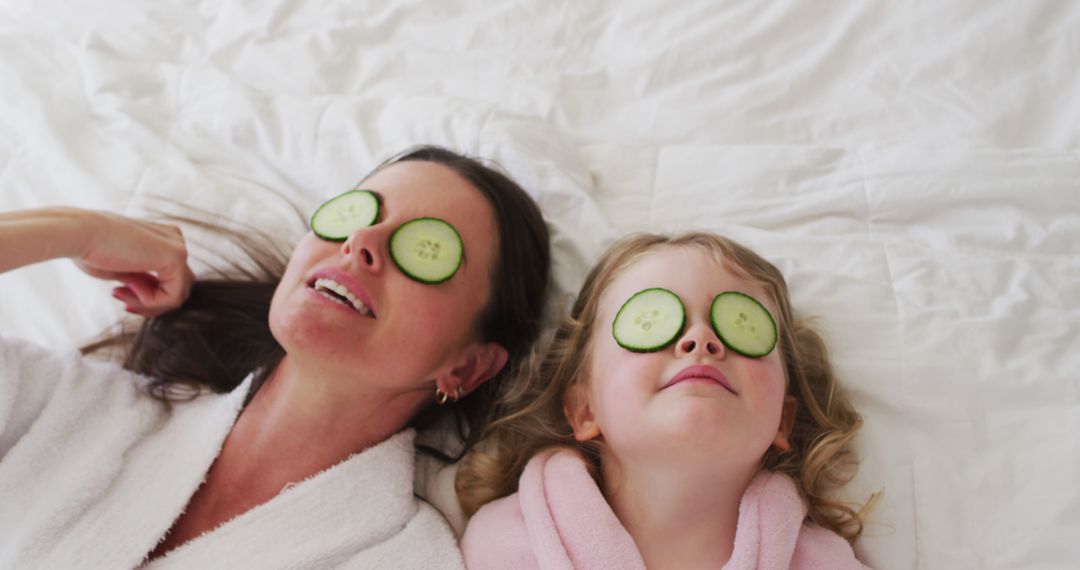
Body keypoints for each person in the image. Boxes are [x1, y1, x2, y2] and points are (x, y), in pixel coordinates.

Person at [0, 145, 551, 568]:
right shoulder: (73, 408)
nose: (361, 240)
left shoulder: (401, 558)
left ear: (467, 367)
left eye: (426, 249)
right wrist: (77, 230)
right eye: (359, 213)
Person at [458, 232, 873, 569]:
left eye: (741, 326)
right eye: (650, 322)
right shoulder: (502, 544)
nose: (700, 338)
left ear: (782, 419)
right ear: (584, 409)